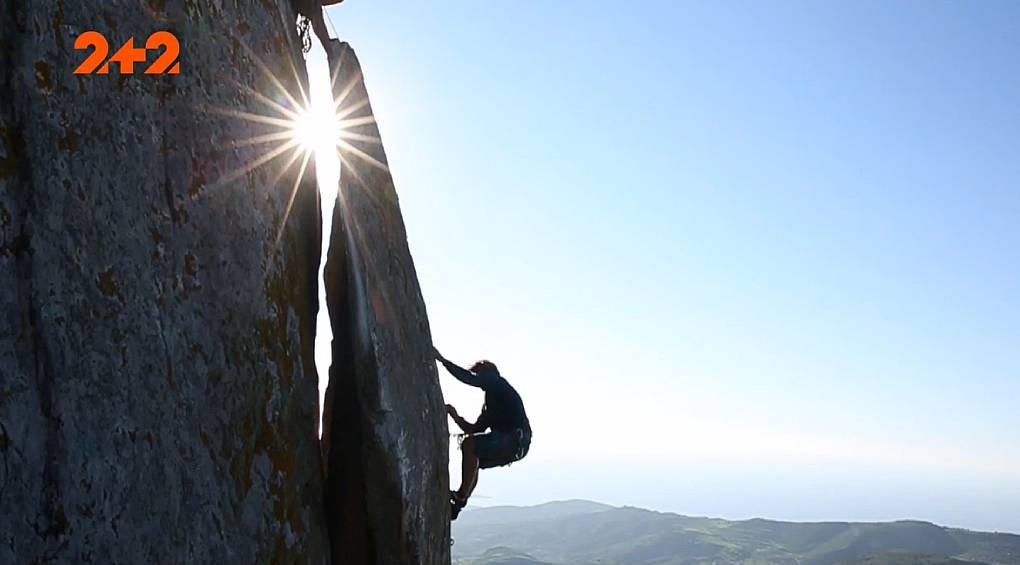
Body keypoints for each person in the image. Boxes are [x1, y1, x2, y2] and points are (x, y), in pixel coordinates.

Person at [435, 348, 532, 520]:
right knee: (474, 458)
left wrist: (443, 361)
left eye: (480, 373)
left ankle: (461, 497)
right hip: (517, 445)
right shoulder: (492, 402)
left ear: (489, 373)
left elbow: (469, 379)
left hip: (514, 439)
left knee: (470, 446)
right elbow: (474, 429)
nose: (479, 378)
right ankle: (457, 506)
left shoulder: (498, 383)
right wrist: (455, 415)